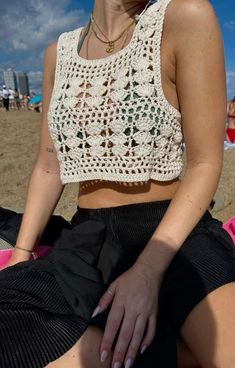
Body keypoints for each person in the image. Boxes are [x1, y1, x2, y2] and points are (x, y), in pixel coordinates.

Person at [0, 0, 235, 367]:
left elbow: (204, 163)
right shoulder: (56, 54)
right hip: (89, 240)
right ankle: (167, 353)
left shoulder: (184, 16)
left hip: (174, 233)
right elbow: (49, 168)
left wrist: (146, 272)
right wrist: (20, 254)